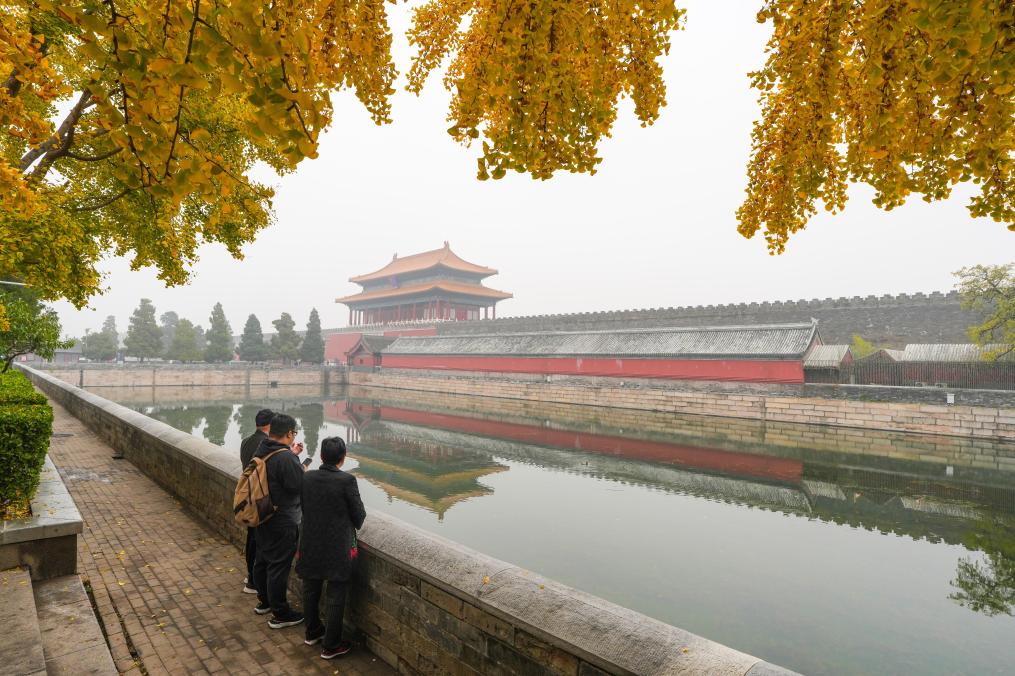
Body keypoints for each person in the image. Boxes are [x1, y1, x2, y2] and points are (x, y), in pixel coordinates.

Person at [297, 437, 366, 659]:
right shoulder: (347, 480)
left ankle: (312, 632)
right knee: (336, 593)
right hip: (337, 546)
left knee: (311, 588)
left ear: (322, 456)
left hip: (310, 541)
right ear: (342, 457)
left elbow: (305, 508)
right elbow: (359, 517)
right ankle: (331, 644)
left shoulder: (307, 478)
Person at [251, 413, 306, 629]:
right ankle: (281, 614)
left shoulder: (263, 448)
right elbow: (298, 486)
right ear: (289, 433)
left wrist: (292, 457)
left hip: (263, 513)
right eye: (294, 433)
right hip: (282, 518)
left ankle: (264, 602)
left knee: (262, 560)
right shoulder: (285, 457)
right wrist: (300, 467)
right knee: (278, 567)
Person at [239, 408, 274, 595]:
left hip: (248, 495)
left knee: (251, 537)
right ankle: (253, 581)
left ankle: (250, 574)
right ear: (270, 425)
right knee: (259, 541)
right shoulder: (266, 444)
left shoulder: (246, 441)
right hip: (260, 498)